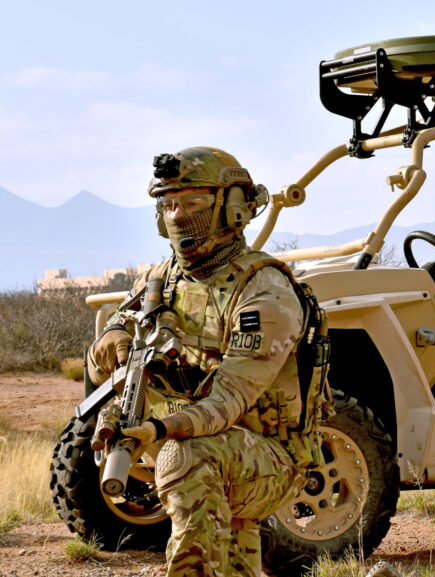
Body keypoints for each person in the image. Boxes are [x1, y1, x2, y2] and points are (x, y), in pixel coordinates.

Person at [86, 146, 306, 576]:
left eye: (193, 203)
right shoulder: (161, 278)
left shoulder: (264, 289)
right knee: (234, 553)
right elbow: (113, 338)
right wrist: (111, 342)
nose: (178, 216)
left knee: (186, 457)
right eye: (168, 205)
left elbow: (227, 403)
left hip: (272, 459)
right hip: (198, 443)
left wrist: (156, 430)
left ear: (234, 208)